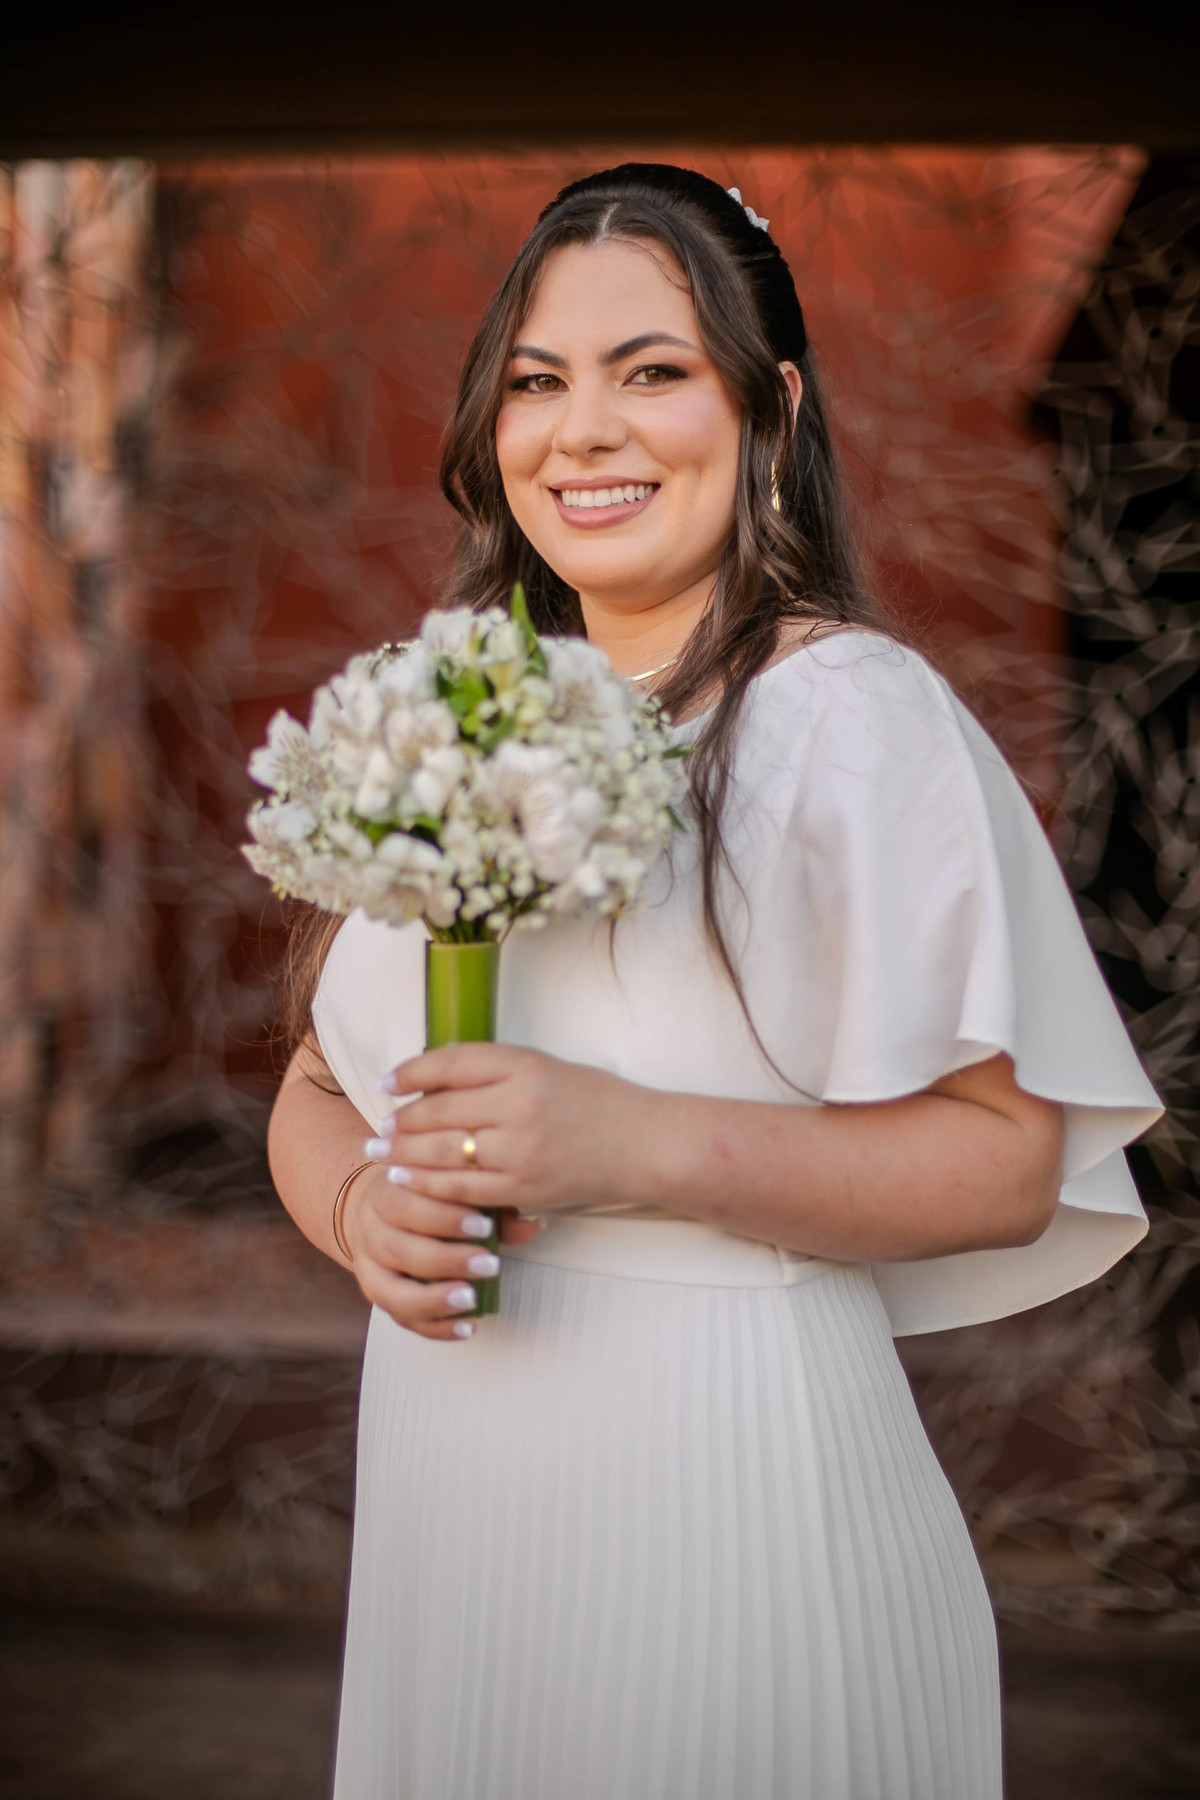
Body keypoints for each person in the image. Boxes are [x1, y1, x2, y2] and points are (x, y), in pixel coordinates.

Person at [266, 164, 1163, 1800]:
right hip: (454, 1505)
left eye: (653, 370)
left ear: (773, 405)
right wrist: (355, 1216)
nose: (582, 430)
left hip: (725, 1483)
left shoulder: (845, 716)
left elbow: (1003, 1159)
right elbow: (324, 1082)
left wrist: (628, 1144)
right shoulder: (450, 704)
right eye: (536, 383)